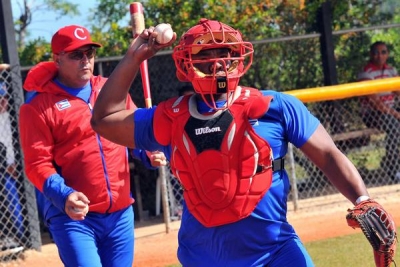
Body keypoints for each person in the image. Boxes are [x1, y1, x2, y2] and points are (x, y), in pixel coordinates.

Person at [91, 19, 391, 266]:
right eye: (205, 54)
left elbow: (327, 154)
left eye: (224, 51)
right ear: (187, 63)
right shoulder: (169, 117)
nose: (217, 62)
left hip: (276, 252)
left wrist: (362, 199)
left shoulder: (275, 106)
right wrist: (134, 57)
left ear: (239, 57)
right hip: (204, 257)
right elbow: (104, 119)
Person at [19, 25, 137, 267]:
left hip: (120, 213)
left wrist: (149, 153)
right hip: (73, 216)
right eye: (76, 55)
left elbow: (136, 133)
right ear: (57, 59)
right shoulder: (37, 106)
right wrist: (64, 195)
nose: (85, 61)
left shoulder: (111, 88)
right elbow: (36, 165)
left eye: (89, 54)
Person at [357, 41, 400, 180]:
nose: (379, 56)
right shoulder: (365, 73)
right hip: (373, 114)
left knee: (394, 122)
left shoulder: (391, 71)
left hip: (392, 109)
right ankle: (393, 170)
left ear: (387, 54)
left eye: (383, 52)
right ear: (371, 54)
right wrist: (397, 114)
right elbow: (376, 104)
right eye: (376, 52)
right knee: (394, 126)